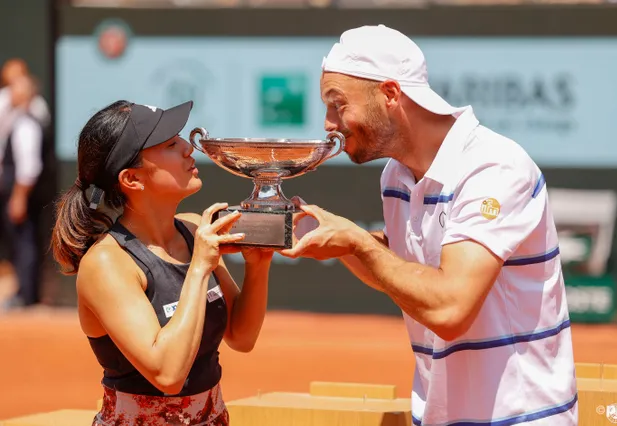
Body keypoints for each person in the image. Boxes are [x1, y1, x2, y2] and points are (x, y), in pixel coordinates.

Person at [282, 25, 577, 425]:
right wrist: (343, 244)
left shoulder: (493, 167)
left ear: (390, 94)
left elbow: (450, 307)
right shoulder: (394, 176)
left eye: (338, 104)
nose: (329, 123)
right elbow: (410, 272)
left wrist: (358, 243)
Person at [51, 100, 274, 425]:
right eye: (170, 144)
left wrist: (258, 264)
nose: (188, 148)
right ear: (132, 179)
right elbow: (166, 373)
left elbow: (241, 336)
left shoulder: (194, 229)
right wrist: (198, 268)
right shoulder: (107, 263)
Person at [0, 74, 45, 309]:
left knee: (24, 244)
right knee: (19, 245)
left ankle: (26, 296)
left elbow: (29, 167)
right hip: (14, 193)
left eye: (15, 89)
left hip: (19, 195)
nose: (10, 94)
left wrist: (18, 198)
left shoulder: (27, 124)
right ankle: (22, 292)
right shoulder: (17, 120)